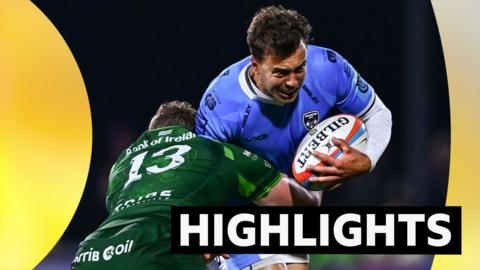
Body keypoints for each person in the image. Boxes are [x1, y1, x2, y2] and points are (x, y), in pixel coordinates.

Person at [195, 5, 392, 270]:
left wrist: (368, 159)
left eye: (299, 69)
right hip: (242, 209)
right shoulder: (222, 103)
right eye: (280, 72)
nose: (292, 82)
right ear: (256, 64)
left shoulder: (328, 67)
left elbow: (378, 113)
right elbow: (202, 177)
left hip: (299, 204)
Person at [71, 101, 320, 270]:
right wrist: (316, 184)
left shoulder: (121, 166)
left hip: (92, 252)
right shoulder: (213, 149)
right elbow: (287, 200)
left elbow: (144, 214)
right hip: (161, 247)